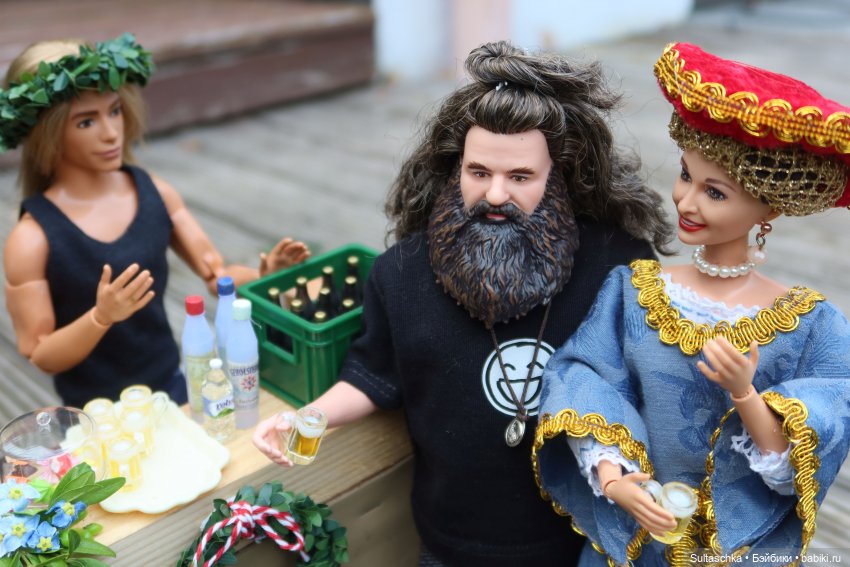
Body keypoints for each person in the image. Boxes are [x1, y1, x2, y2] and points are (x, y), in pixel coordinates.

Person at [253, 40, 671, 567]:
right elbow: (373, 375)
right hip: (452, 542)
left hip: (582, 538)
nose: (495, 195)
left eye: (520, 177)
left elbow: (651, 382)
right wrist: (306, 418)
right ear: (454, 169)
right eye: (479, 173)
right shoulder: (401, 275)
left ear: (560, 176)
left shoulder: (614, 264)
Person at [533, 42, 850, 567]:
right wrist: (613, 478)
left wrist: (745, 393)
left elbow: (808, 454)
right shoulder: (633, 291)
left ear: (768, 208)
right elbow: (585, 378)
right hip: (637, 540)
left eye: (715, 193)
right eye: (685, 175)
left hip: (735, 550)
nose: (686, 200)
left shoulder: (813, 327)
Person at [1, 34, 310, 408]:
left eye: (115, 111)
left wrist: (264, 277)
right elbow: (39, 351)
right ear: (46, 133)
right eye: (86, 122)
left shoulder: (154, 193)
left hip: (171, 385)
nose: (111, 132)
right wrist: (100, 317)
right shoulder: (31, 239)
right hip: (94, 411)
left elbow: (218, 277)